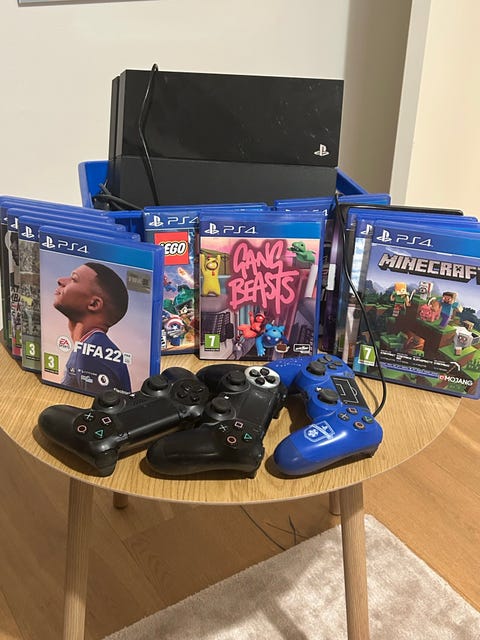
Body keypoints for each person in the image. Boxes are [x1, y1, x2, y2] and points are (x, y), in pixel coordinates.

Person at [53, 262, 131, 393]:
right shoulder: (90, 347)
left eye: (74, 279)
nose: (60, 280)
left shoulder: (93, 353)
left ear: (94, 304)